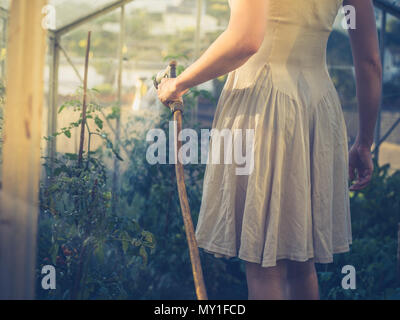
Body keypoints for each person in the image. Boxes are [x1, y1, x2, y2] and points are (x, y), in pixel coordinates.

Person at [157, 0, 382, 300]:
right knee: (302, 265)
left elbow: (246, 39)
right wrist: (364, 141)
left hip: (264, 107)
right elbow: (369, 62)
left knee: (267, 267)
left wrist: (179, 84)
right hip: (317, 110)